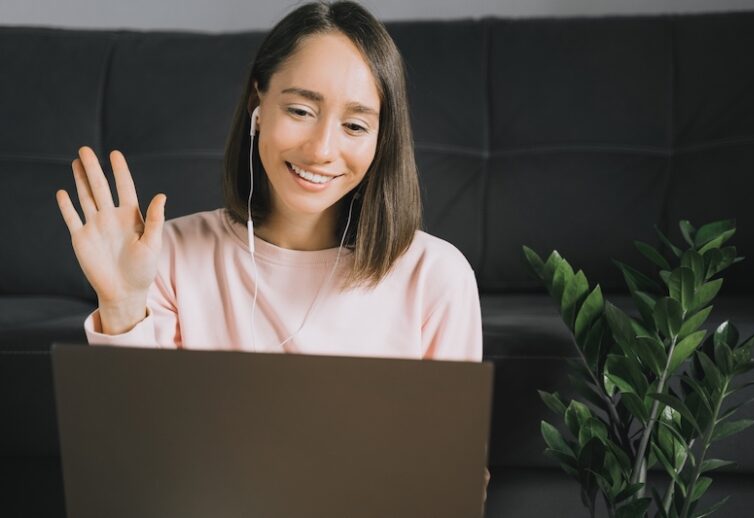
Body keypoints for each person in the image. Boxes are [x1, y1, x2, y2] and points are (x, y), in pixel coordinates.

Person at [55, 0, 488, 498]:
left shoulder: (435, 275)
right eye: (300, 110)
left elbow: (446, 484)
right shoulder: (166, 255)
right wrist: (123, 305)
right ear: (258, 102)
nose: (322, 150)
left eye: (355, 125)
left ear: (382, 138)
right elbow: (136, 471)